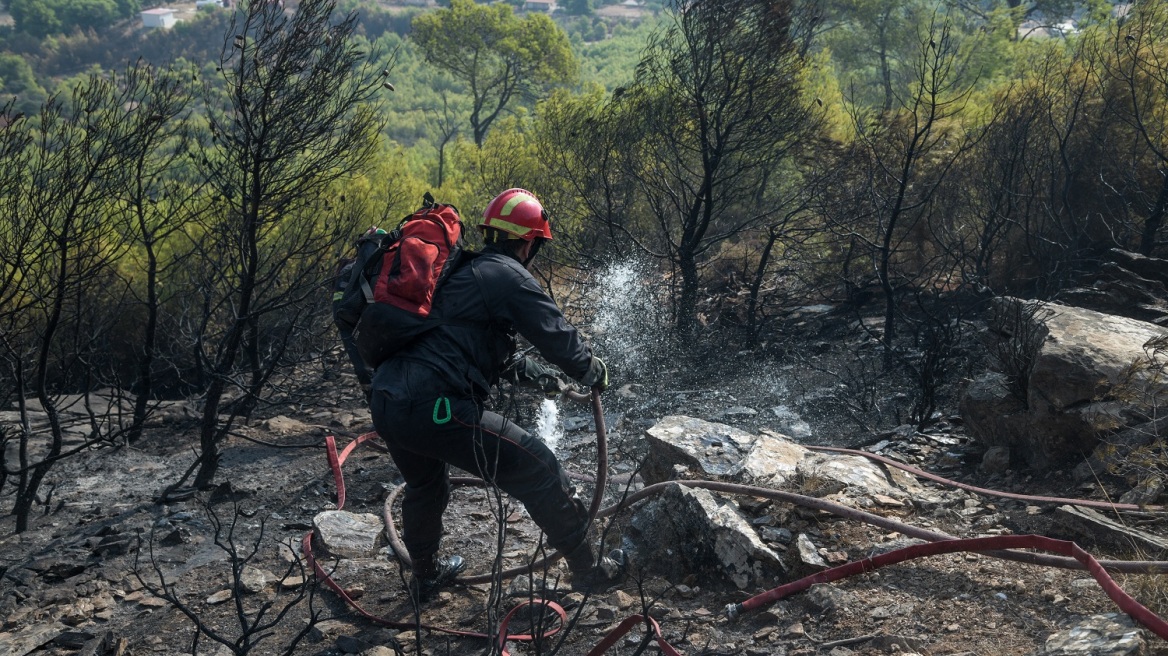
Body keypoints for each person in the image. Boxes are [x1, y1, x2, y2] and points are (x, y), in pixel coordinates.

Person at [369, 188, 619, 601]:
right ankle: (590, 571)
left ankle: (427, 576)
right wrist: (588, 369)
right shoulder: (508, 275)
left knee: (426, 485)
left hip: (389, 403)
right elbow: (555, 333)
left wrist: (542, 377)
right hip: (436, 407)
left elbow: (465, 345)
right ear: (528, 242)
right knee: (538, 467)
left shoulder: (460, 274)